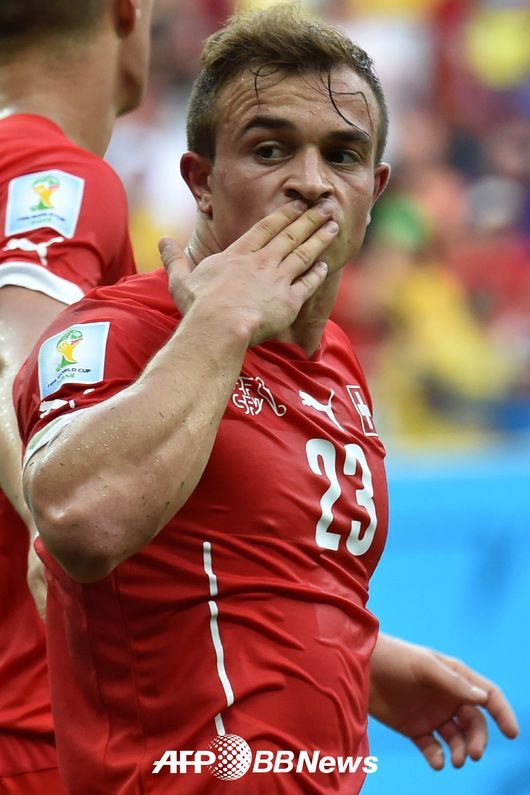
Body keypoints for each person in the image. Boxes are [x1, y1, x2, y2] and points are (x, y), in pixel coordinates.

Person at [14, 5, 518, 795]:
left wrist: (366, 659)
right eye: (270, 149)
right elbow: (76, 520)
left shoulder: (339, 364)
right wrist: (220, 322)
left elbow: (234, 577)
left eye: (342, 155)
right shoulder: (119, 330)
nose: (311, 183)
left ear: (375, 189)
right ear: (201, 183)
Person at [0, 1, 153, 792]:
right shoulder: (50, 170)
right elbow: (9, 356)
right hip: (30, 734)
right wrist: (56, 516)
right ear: (129, 11)